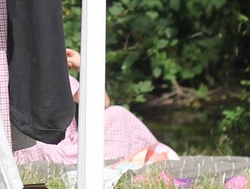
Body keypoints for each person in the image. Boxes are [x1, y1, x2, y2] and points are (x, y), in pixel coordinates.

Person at [13, 49, 175, 166]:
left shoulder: (62, 80)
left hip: (72, 145)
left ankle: (150, 154)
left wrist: (83, 67)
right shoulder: (15, 78)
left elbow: (102, 103)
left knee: (117, 113)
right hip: (43, 145)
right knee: (38, 143)